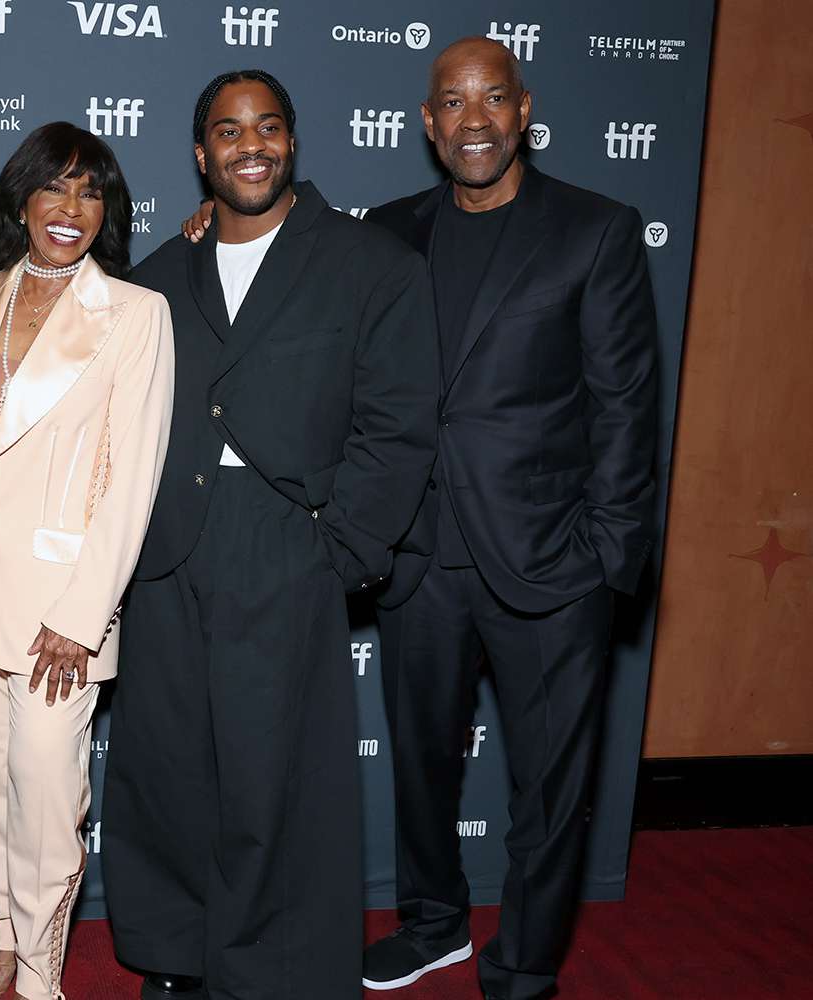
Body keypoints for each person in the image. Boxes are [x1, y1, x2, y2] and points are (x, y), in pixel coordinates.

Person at [181, 37, 660, 1000]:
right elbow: (289, 247)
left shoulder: (596, 230)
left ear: (523, 111)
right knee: (421, 766)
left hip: (549, 560)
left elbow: (628, 407)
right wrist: (217, 225)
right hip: (418, 554)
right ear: (428, 121)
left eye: (491, 100)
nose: (472, 119)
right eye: (451, 102)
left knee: (548, 788)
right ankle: (434, 922)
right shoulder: (390, 230)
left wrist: (608, 559)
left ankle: (523, 961)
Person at [105, 70, 439, 1000]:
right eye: (227, 130)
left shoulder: (371, 263)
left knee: (270, 777)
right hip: (168, 544)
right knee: (166, 765)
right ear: (200, 153)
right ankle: (174, 954)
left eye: (268, 128)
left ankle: (266, 971)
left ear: (293, 141)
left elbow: (399, 423)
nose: (249, 145)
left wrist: (343, 550)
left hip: (288, 541)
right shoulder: (158, 276)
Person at [0, 122, 174, 1000]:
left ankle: (42, 969)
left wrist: (83, 615)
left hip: (59, 610)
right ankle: (4, 934)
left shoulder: (136, 314)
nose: (71, 209)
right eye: (55, 189)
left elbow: (133, 475)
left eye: (91, 191)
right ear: (21, 201)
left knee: (45, 789)